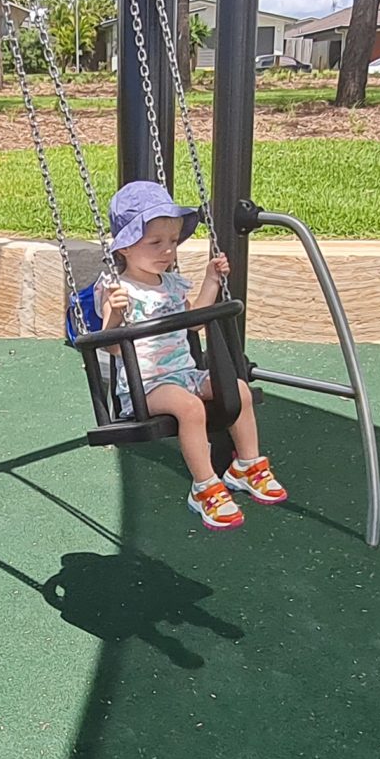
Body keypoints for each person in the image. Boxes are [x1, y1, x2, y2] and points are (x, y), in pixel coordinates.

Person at [97, 179, 284, 530]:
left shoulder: (171, 284)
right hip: (147, 387)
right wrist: (117, 314)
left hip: (184, 374)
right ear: (123, 248)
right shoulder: (118, 288)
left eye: (172, 242)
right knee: (189, 407)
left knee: (237, 389)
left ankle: (247, 465)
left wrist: (212, 279)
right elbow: (109, 345)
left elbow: (193, 322)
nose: (167, 251)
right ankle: (204, 487)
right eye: (155, 243)